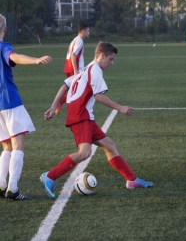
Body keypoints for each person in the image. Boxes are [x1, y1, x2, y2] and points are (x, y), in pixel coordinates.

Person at [41, 41, 153, 199]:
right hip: (81, 116)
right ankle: (50, 176)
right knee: (84, 153)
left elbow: (65, 86)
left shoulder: (86, 69)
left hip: (84, 116)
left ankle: (131, 180)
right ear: (102, 56)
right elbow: (98, 95)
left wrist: (54, 106)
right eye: (111, 59)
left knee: (109, 146)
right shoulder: (95, 71)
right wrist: (119, 107)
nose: (112, 63)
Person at [0, 14, 52, 200]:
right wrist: (35, 60)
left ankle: (1, 184)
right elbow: (15, 57)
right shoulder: (3, 47)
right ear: (5, 29)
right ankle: (12, 189)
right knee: (18, 145)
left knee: (6, 146)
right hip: (10, 101)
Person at [55, 24, 90, 115]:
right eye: (88, 30)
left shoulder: (75, 39)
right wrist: (75, 70)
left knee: (74, 89)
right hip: (75, 69)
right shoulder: (79, 41)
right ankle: (60, 103)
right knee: (78, 89)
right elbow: (73, 55)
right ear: (83, 31)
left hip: (70, 67)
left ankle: (69, 106)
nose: (89, 32)